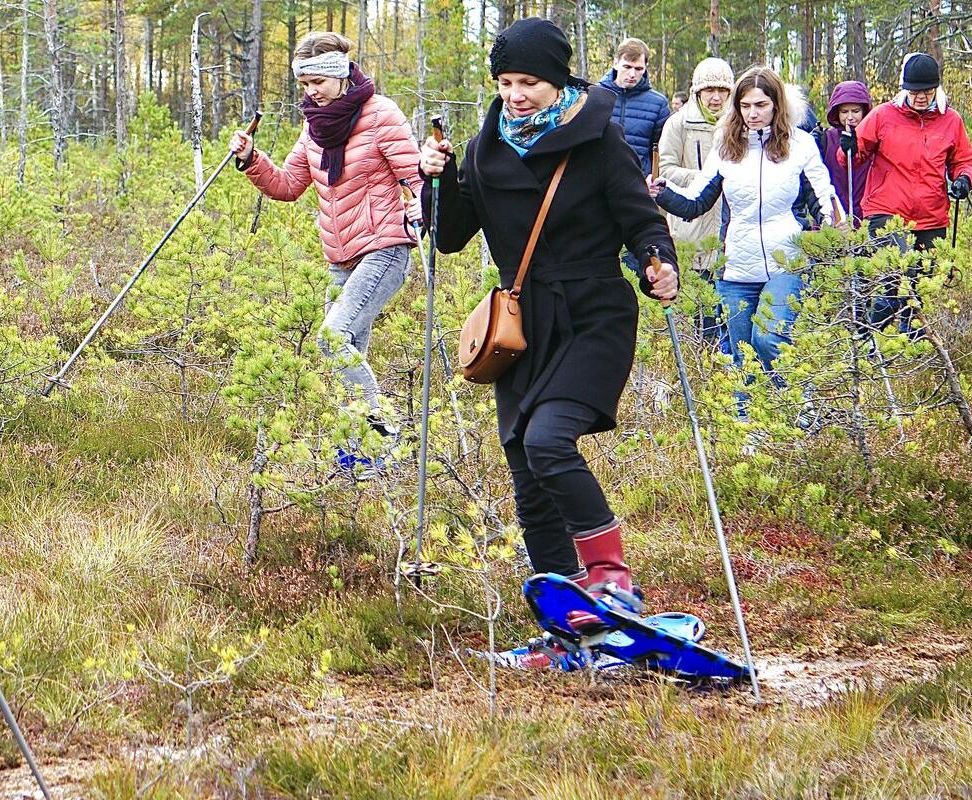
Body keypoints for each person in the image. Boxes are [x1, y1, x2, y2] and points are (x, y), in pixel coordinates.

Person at [417, 18, 679, 645]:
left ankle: (611, 580)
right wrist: (436, 178)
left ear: (556, 80)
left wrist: (656, 262)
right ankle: (565, 627)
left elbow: (641, 220)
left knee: (548, 441)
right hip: (522, 326)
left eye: (528, 81)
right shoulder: (485, 148)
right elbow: (449, 234)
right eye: (505, 82)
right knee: (524, 468)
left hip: (593, 314)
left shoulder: (598, 139)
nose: (514, 94)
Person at [229, 31, 424, 465]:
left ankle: (385, 434)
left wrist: (422, 205)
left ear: (339, 75)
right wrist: (251, 159)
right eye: (304, 84)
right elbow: (287, 186)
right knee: (350, 353)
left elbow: (416, 176)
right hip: (340, 257)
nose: (311, 92)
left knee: (332, 338)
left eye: (318, 82)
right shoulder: (314, 128)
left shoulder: (380, 115)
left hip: (385, 246)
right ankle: (359, 454)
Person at [656, 67, 842, 413]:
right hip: (737, 269)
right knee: (743, 353)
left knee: (769, 338)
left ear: (777, 105)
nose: (753, 113)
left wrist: (833, 227)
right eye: (745, 106)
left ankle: (801, 406)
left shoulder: (799, 145)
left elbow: (823, 197)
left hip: (786, 261)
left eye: (761, 105)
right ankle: (748, 428)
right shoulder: (726, 148)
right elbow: (696, 201)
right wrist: (661, 192)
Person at [855, 52, 972, 331]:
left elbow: (963, 161)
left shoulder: (951, 120)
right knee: (896, 277)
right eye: (914, 91)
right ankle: (872, 340)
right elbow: (854, 155)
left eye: (927, 91)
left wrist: (963, 180)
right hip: (886, 211)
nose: (920, 97)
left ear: (936, 88)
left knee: (923, 288)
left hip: (932, 216)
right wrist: (849, 147)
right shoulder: (883, 116)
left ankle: (913, 353)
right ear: (904, 88)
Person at [657, 57, 736, 347]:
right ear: (697, 91)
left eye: (722, 90)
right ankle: (699, 361)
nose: (715, 97)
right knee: (698, 306)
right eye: (709, 90)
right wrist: (706, 178)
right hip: (691, 225)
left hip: (731, 225)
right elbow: (665, 170)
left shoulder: (738, 123)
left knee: (728, 301)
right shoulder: (678, 124)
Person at [596, 37, 670, 175]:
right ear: (616, 63)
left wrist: (652, 179)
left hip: (638, 183)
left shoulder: (658, 104)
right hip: (597, 182)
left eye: (638, 69)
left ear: (645, 68)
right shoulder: (594, 96)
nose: (632, 74)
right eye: (627, 67)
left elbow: (662, 152)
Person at [822, 80, 875, 225]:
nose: (850, 117)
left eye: (855, 111)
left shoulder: (873, 138)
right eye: (844, 112)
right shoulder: (826, 139)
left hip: (867, 218)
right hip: (835, 217)